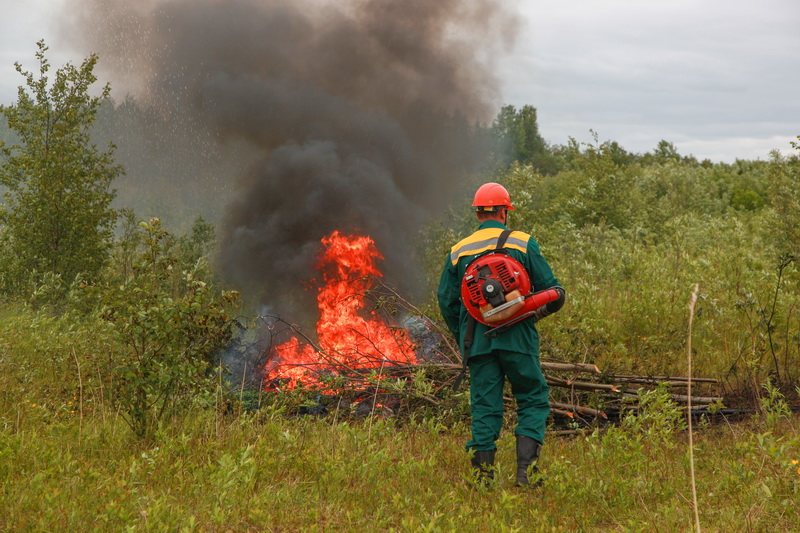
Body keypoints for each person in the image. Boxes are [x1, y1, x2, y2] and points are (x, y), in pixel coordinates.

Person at [437, 182, 565, 486]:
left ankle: (482, 479)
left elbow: (446, 301)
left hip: (478, 342)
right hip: (518, 338)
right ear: (505, 211)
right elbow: (554, 291)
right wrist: (531, 313)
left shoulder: (459, 251)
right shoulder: (522, 243)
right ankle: (526, 474)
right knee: (533, 398)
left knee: (485, 405)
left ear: (478, 213)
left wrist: (465, 338)